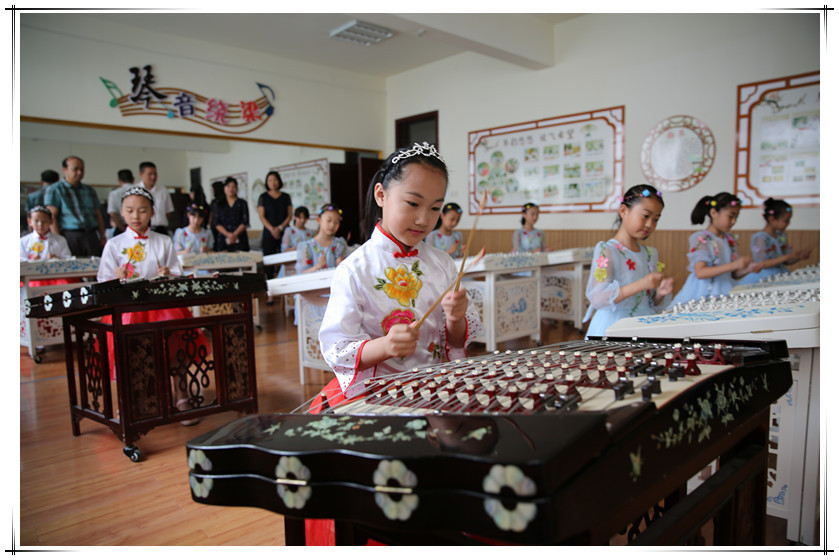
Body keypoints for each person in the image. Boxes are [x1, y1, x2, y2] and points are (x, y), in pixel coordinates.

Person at [316, 142, 483, 407]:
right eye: (413, 203)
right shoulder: (354, 270)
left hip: (437, 388)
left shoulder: (443, 264)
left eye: (434, 208)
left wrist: (455, 317)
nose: (423, 219)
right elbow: (337, 349)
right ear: (381, 195)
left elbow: (455, 341)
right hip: (381, 395)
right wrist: (385, 346)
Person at [97, 187, 205, 424]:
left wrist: (168, 272)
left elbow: (177, 274)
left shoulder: (163, 241)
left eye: (142, 210)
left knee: (176, 347)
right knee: (130, 355)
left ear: (152, 213)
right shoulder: (114, 244)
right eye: (130, 210)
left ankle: (181, 395)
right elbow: (102, 281)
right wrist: (116, 276)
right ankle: (133, 401)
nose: (136, 216)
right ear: (122, 214)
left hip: (161, 305)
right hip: (129, 310)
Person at [583, 186, 674, 338]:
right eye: (645, 216)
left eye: (656, 219)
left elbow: (650, 302)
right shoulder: (607, 250)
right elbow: (598, 299)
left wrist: (660, 293)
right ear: (624, 211)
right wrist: (642, 284)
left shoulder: (650, 254)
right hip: (613, 326)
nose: (650, 224)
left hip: (644, 325)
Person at [671, 192, 760, 305]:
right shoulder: (701, 238)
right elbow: (700, 272)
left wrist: (748, 269)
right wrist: (735, 264)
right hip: (703, 293)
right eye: (731, 216)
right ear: (714, 213)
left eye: (736, 217)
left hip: (726, 288)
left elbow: (732, 274)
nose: (734, 221)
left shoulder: (729, 239)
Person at [738, 198, 812, 285]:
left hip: (780, 273)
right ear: (772, 219)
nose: (788, 223)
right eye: (786, 220)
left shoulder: (781, 236)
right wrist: (788, 256)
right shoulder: (760, 238)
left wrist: (798, 257)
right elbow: (761, 263)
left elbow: (785, 261)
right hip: (764, 276)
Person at [44, 156, 106, 257]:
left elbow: (98, 215)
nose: (79, 172)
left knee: (94, 266)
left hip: (91, 234)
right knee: (73, 267)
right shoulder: (55, 189)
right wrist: (59, 240)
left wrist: (102, 236)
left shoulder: (89, 190)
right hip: (70, 236)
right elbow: (52, 217)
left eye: (82, 169)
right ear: (65, 170)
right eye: (75, 169)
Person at [295, 203, 350, 274]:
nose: (332, 225)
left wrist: (343, 264)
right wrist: (317, 266)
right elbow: (302, 273)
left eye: (336, 222)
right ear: (318, 220)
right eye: (329, 220)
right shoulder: (308, 246)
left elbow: (350, 267)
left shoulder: (340, 244)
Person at [258, 170, 293, 281]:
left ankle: (286, 288)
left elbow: (289, 215)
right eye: (270, 180)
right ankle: (269, 291)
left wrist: (280, 228)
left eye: (275, 179)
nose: (273, 182)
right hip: (269, 233)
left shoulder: (286, 197)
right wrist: (272, 229)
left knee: (285, 260)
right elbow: (262, 216)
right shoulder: (263, 197)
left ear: (279, 181)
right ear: (267, 182)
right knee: (269, 262)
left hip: (284, 232)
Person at [211, 177, 250, 252]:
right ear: (224, 188)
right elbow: (216, 222)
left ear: (237, 188)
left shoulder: (242, 203)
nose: (231, 189)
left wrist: (235, 234)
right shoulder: (218, 204)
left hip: (240, 237)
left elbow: (245, 221)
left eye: (233, 186)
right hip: (223, 238)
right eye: (228, 186)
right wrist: (228, 234)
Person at [136, 161, 174, 235]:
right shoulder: (135, 191)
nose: (153, 177)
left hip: (161, 230)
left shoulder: (163, 190)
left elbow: (168, 213)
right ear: (141, 174)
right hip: (142, 231)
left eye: (155, 174)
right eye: (150, 174)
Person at [106, 169, 135, 235]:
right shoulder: (141, 191)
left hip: (122, 228)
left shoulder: (114, 193)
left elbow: (113, 214)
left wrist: (124, 231)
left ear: (119, 180)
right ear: (133, 179)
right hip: (139, 227)